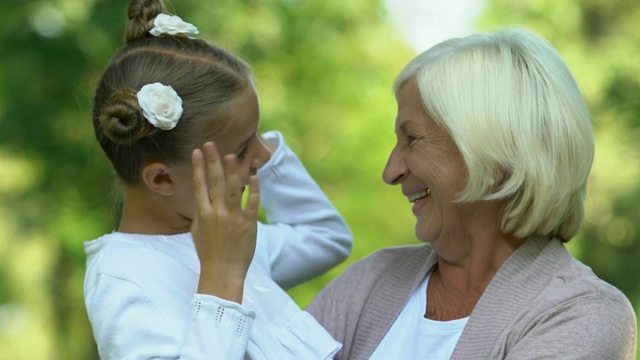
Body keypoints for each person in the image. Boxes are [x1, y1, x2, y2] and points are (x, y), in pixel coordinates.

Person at [308, 28, 637, 359]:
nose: (391, 171)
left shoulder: (584, 314)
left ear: (495, 156)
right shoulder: (372, 280)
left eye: (412, 139)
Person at [83, 0, 353, 359]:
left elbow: (326, 238)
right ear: (162, 179)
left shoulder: (224, 235)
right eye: (243, 150)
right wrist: (222, 276)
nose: (262, 156)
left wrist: (253, 142)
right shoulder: (123, 275)